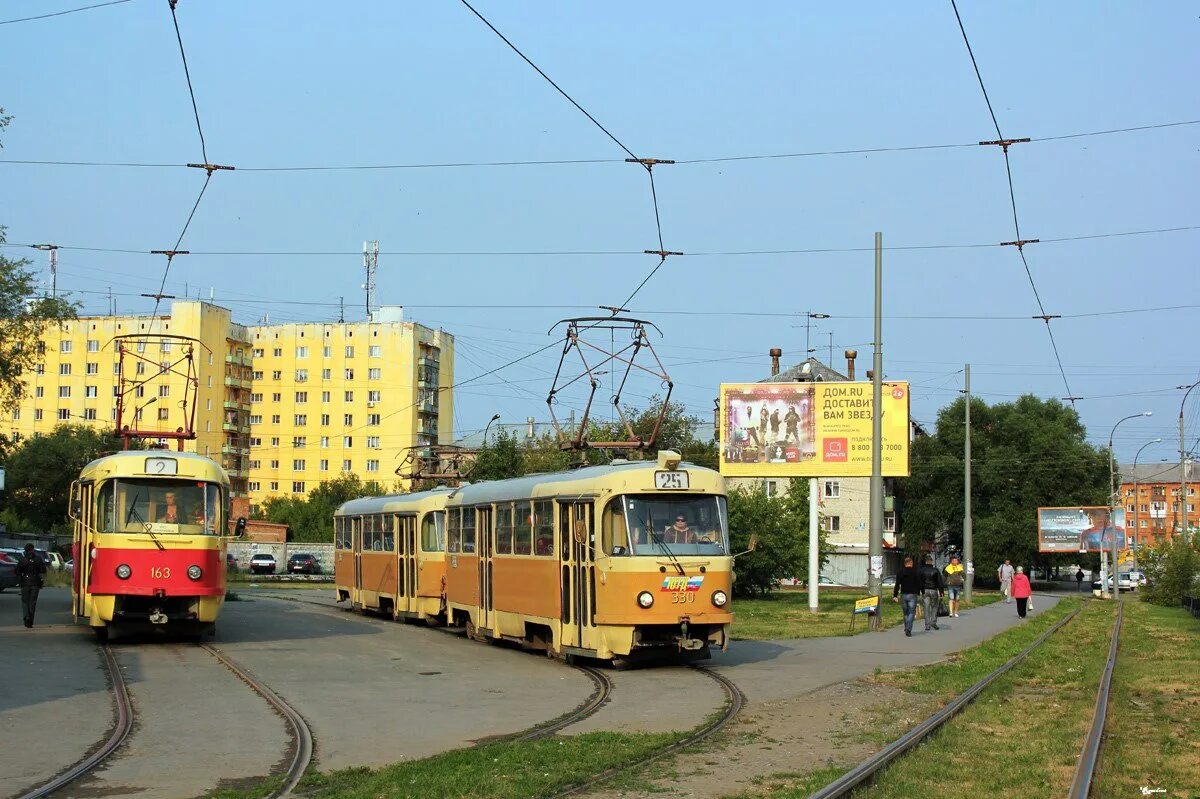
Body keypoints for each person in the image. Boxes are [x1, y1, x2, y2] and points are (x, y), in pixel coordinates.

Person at [16, 543, 47, 629]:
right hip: (35, 582)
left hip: (25, 582)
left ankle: (26, 616)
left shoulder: (22, 559)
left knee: (25, 601)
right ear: (32, 549)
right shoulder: (38, 559)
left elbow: (17, 571)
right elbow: (43, 570)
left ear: (25, 550)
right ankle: (30, 621)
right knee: (32, 602)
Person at [891, 555, 922, 637]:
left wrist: (895, 595)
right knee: (911, 612)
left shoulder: (900, 572)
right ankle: (908, 629)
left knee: (905, 613)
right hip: (913, 594)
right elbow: (919, 583)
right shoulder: (916, 571)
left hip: (903, 594)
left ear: (905, 564)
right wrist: (920, 592)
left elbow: (897, 584)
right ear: (911, 563)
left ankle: (906, 628)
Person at [919, 555, 945, 631]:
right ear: (932, 562)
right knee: (935, 606)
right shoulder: (936, 570)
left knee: (926, 608)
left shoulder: (922, 570)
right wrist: (941, 592)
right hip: (933, 590)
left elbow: (920, 581)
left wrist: (920, 590)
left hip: (925, 590)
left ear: (926, 562)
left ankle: (927, 625)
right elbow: (939, 582)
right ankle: (933, 622)